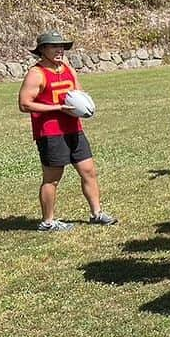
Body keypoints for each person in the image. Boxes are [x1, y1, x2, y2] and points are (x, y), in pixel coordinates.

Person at [18, 30, 117, 231]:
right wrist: (57, 108)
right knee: (52, 178)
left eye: (61, 46)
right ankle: (48, 222)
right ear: (42, 50)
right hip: (51, 133)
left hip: (74, 129)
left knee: (89, 171)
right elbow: (24, 104)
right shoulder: (36, 74)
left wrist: (83, 104)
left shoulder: (67, 68)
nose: (59, 50)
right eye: (54, 46)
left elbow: (77, 92)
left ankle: (97, 213)